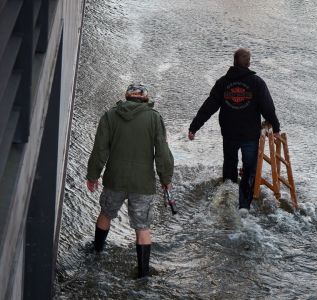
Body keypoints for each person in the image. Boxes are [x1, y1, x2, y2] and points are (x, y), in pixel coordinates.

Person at [86, 83, 174, 278]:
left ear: (126, 97)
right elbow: (162, 152)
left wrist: (93, 175)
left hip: (114, 178)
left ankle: (96, 253)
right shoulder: (154, 118)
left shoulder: (110, 116)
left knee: (106, 214)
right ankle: (143, 274)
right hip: (143, 183)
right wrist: (166, 178)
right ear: (145, 99)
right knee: (142, 228)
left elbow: (100, 150)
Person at [188, 48, 280, 211]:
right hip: (250, 135)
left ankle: (226, 201)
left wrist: (194, 127)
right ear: (249, 63)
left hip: (229, 134)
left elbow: (209, 106)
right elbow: (268, 108)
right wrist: (276, 128)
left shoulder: (223, 83)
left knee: (230, 166)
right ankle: (244, 206)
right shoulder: (257, 83)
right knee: (249, 170)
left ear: (233, 62)